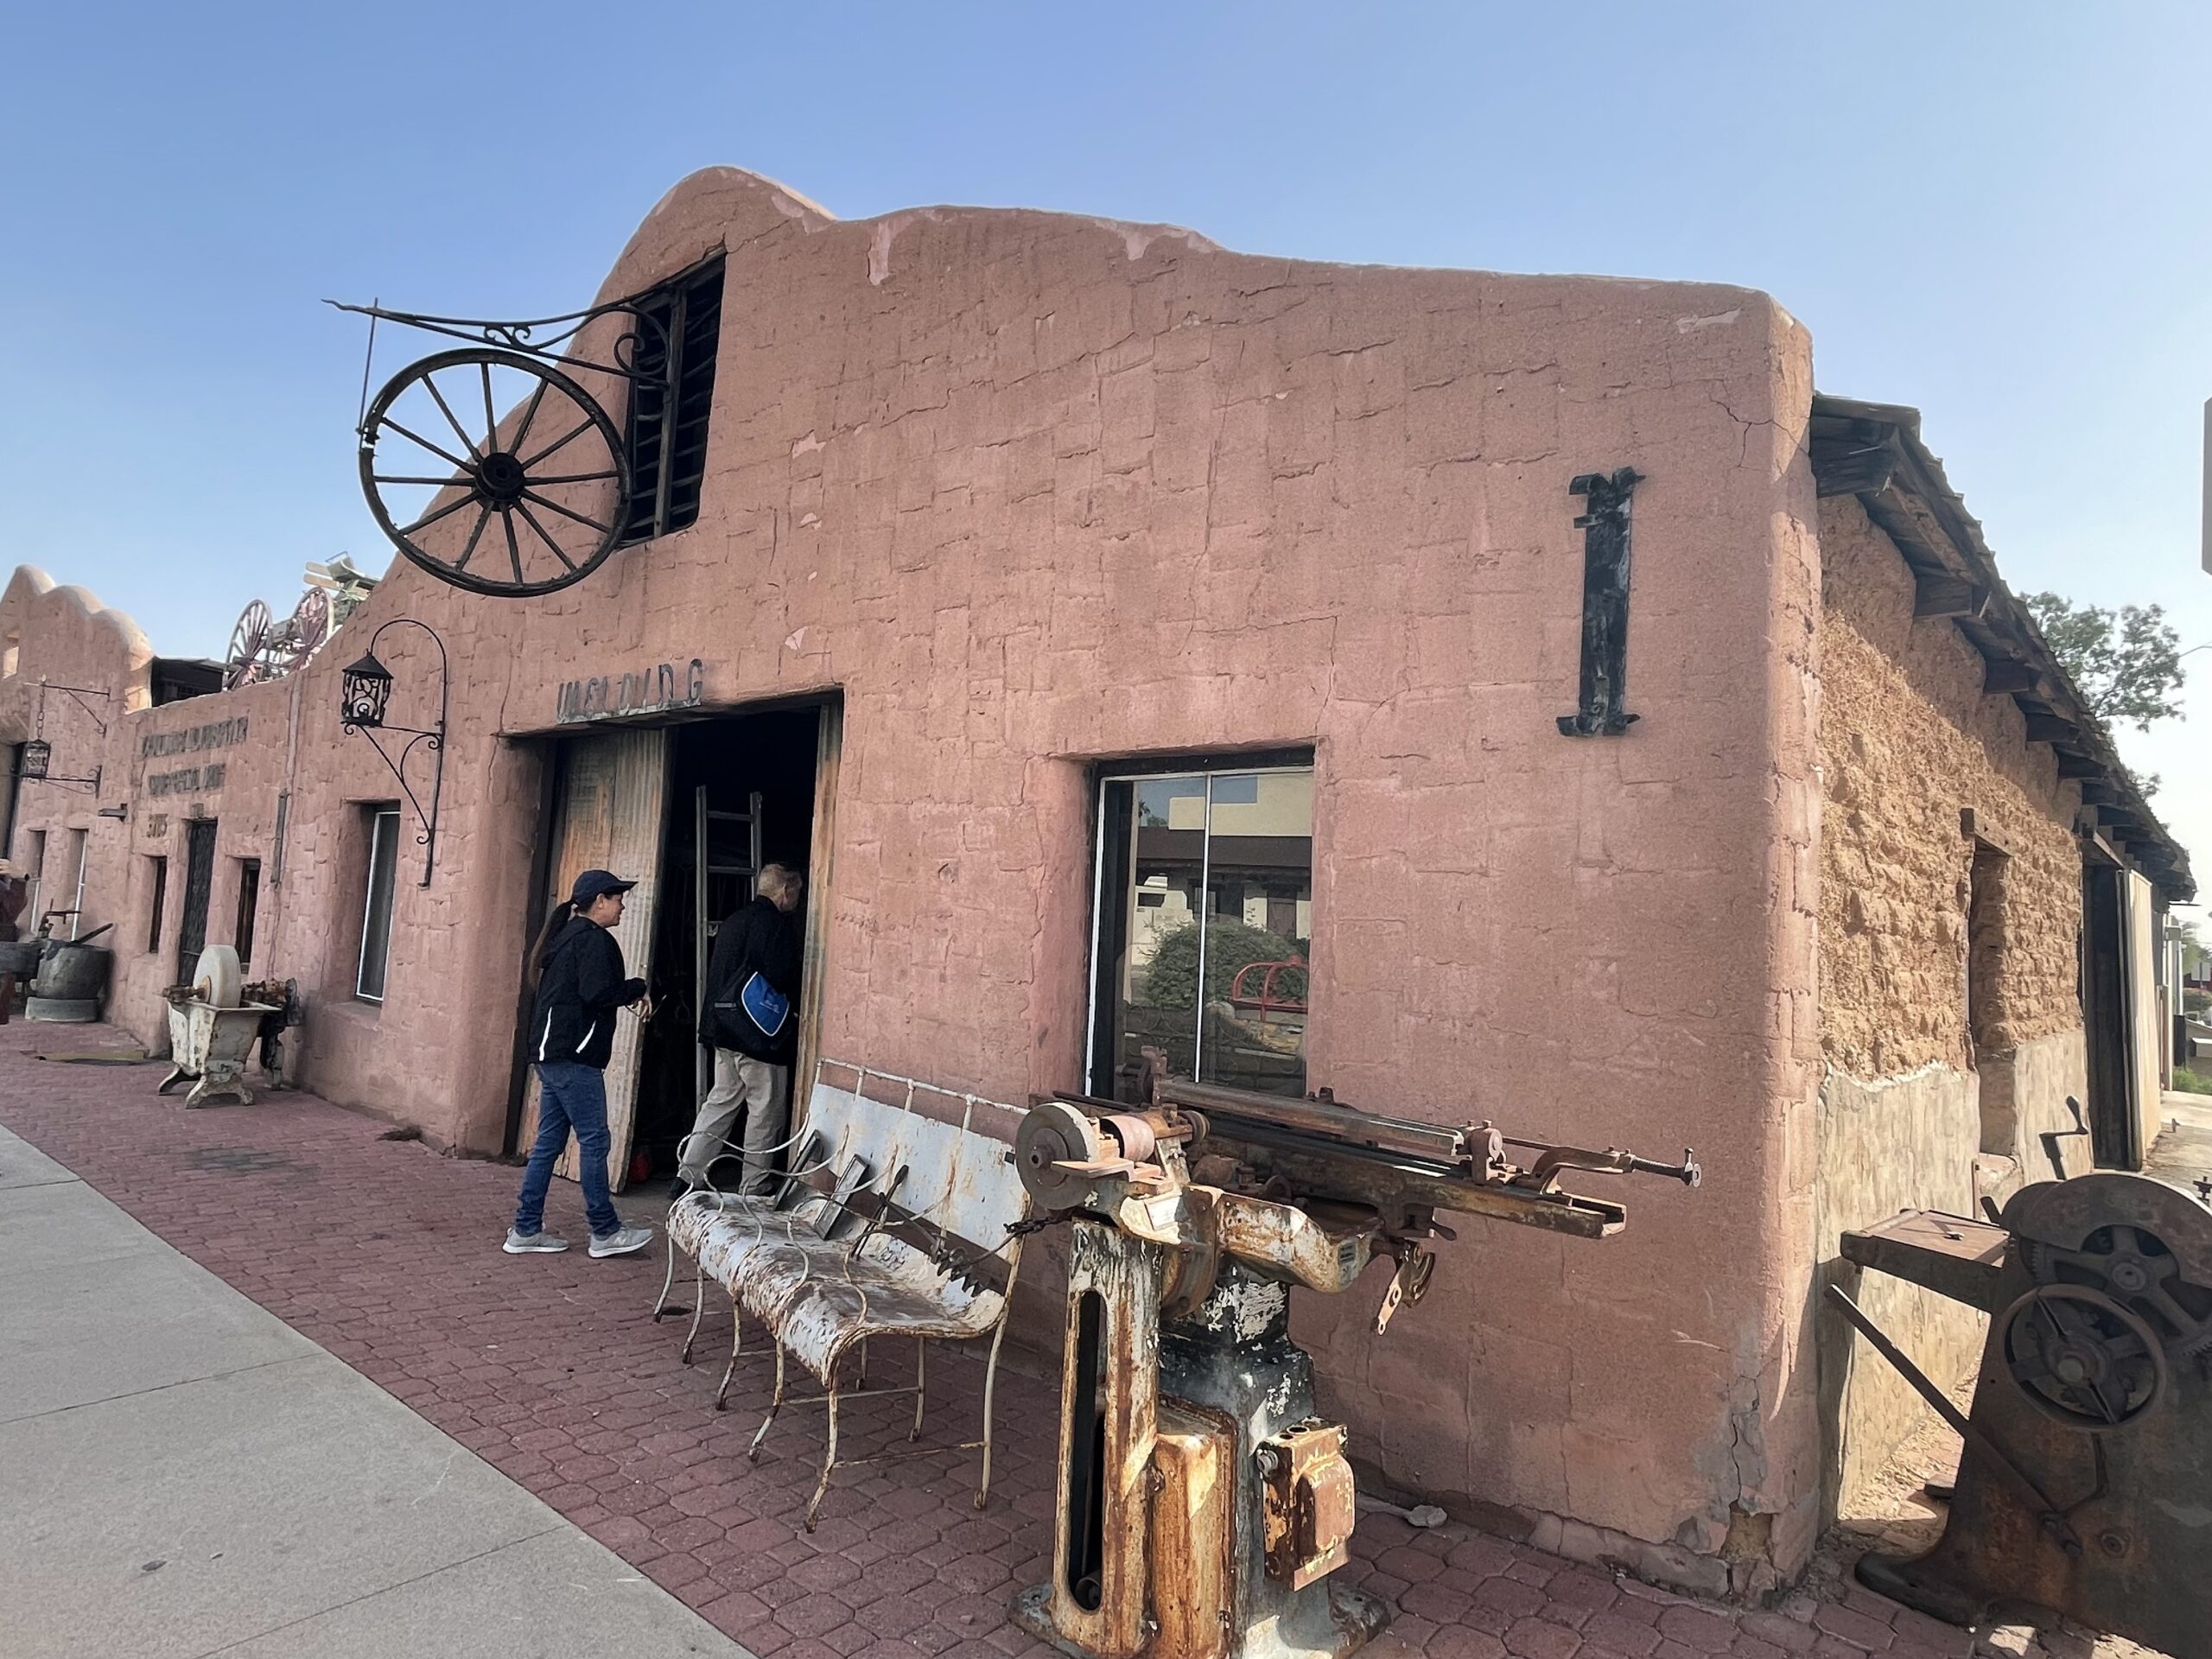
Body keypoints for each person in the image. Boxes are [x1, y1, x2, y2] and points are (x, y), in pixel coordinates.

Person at [505, 869, 658, 1258]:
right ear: (600, 901)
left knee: (549, 1144)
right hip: (573, 1057)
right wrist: (637, 987)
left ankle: (525, 1230)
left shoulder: (567, 938)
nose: (623, 904)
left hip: (551, 1055)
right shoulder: (592, 941)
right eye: (618, 897)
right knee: (594, 1140)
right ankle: (605, 1231)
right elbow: (597, 993)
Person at [679, 862, 804, 1195]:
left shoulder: (735, 920)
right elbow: (781, 976)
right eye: (797, 892)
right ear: (785, 891)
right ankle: (755, 1184)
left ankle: (686, 1175)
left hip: (723, 1031)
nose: (798, 900)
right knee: (765, 1110)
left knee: (720, 1103)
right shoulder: (775, 925)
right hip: (759, 1038)